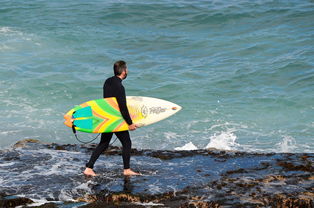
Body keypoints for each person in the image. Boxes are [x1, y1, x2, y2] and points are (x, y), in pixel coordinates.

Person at [83, 60, 140, 176]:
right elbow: (122, 107)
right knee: (127, 143)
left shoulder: (107, 81)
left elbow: (107, 103)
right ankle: (127, 170)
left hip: (107, 118)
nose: (127, 71)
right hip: (116, 120)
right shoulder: (120, 87)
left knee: (104, 143)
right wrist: (129, 123)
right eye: (127, 69)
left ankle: (89, 168)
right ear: (123, 71)